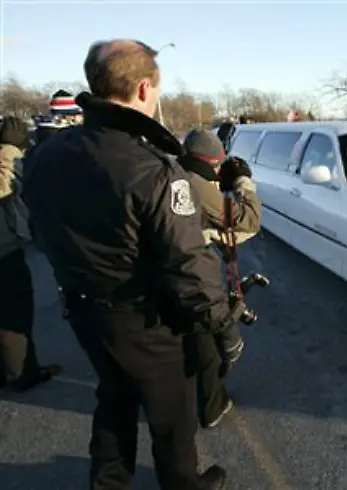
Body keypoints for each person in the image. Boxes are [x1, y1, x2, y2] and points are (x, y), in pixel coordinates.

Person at [22, 39, 246, 490]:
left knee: (115, 398)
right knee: (172, 419)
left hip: (83, 309)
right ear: (144, 88)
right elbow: (190, 268)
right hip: (144, 320)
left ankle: (109, 482)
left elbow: (39, 228)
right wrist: (225, 328)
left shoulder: (47, 152)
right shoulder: (153, 170)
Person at [179, 129, 261, 429]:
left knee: (185, 341)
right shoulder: (195, 184)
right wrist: (243, 183)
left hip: (158, 277)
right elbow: (246, 220)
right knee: (208, 344)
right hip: (190, 278)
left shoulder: (171, 171)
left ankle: (191, 396)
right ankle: (212, 406)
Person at [0, 115, 61, 392]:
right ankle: (21, 373)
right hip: (4, 252)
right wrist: (9, 151)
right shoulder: (7, 159)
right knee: (15, 315)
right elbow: (6, 188)